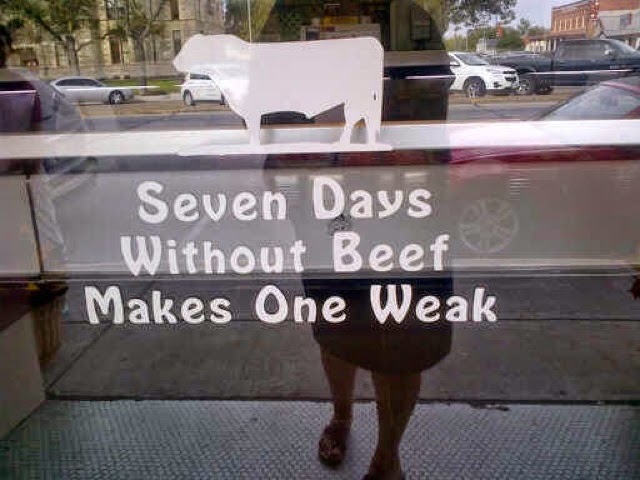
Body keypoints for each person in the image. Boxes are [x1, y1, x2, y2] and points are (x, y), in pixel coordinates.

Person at [255, 2, 454, 478]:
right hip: (323, 206)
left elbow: (433, 97)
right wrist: (286, 155)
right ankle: (342, 416)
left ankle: (388, 457)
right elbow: (264, 100)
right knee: (336, 324)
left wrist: (410, 147)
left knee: (403, 339)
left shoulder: (408, 15)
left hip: (405, 209)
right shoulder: (290, 12)